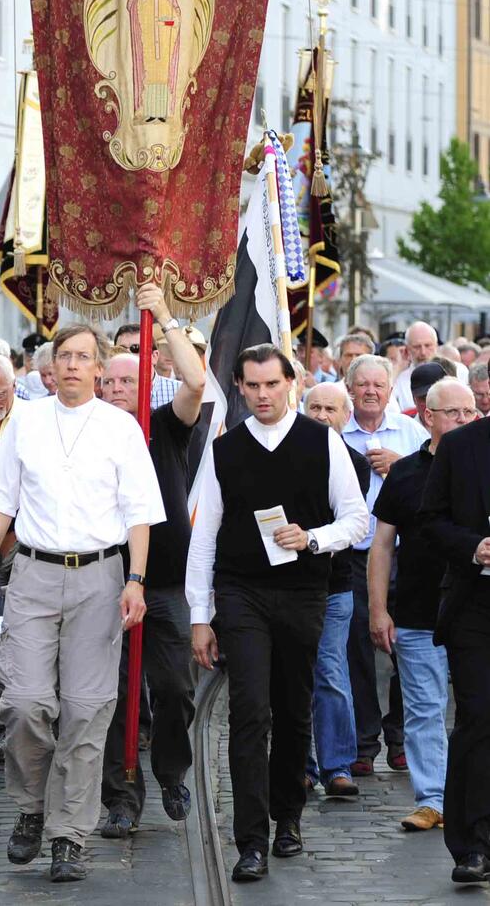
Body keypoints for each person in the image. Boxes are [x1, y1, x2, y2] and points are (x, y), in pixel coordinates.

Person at [0, 323, 164, 883]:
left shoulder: (120, 428)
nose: (74, 365)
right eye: (65, 356)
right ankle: (32, 808)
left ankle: (68, 836)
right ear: (49, 367)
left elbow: (140, 513)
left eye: (84, 357)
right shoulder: (26, 422)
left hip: (100, 578)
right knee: (26, 703)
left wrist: (137, 579)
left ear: (100, 368)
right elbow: (0, 503)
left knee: (86, 708)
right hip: (32, 572)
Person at [188, 345, 368, 883]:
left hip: (303, 592)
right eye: (253, 386)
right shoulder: (225, 451)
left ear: (291, 382)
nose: (263, 395)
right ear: (240, 388)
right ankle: (250, 840)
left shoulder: (323, 443)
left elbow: (357, 519)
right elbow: (205, 538)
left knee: (293, 709)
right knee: (250, 712)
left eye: (272, 384)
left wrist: (312, 538)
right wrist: (201, 614)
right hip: (241, 593)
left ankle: (287, 816)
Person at [98, 281, 205, 838]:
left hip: (164, 583)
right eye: (109, 380)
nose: (118, 388)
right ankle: (120, 795)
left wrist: (163, 313)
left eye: (127, 378)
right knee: (113, 696)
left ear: (144, 380)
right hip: (103, 581)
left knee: (173, 688)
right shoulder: (87, 432)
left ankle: (171, 770)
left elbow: (195, 381)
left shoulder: (164, 424)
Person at [369, 374, 474, 836]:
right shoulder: (407, 472)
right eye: (454, 412)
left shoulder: (482, 466)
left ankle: (472, 796)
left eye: (470, 411)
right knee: (425, 707)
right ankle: (433, 799)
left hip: (475, 608)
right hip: (416, 611)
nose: (465, 420)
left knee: (477, 708)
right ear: (428, 416)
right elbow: (382, 546)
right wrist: (378, 609)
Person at [341, 353, 428, 776]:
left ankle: (399, 737)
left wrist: (401, 468)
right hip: (354, 556)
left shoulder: (412, 433)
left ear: (391, 391)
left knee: (406, 647)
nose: (371, 391)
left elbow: (433, 488)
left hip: (406, 556)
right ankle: (363, 741)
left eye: (379, 385)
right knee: (357, 647)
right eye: (363, 385)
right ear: (350, 389)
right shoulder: (337, 433)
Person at [418, 387, 490, 885]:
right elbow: (429, 520)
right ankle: (473, 844)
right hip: (476, 607)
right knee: (479, 717)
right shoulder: (462, 447)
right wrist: (474, 547)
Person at [302, 382, 370, 800]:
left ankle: (337, 765)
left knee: (330, 673)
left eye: (331, 408)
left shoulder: (354, 462)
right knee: (295, 675)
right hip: (289, 584)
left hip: (333, 585)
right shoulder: (284, 454)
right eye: (315, 407)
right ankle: (301, 764)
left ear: (346, 417)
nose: (323, 415)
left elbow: (344, 521)